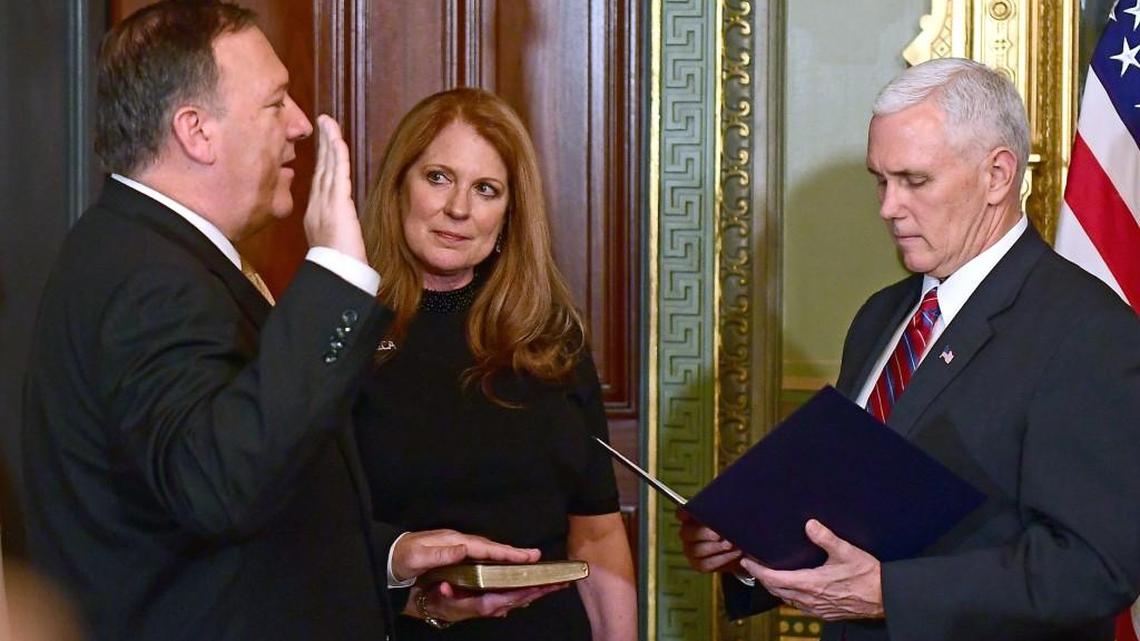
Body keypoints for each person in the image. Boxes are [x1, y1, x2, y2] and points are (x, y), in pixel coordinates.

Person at [21, 3, 540, 641]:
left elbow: (211, 496)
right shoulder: (149, 279)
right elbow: (221, 484)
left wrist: (385, 561)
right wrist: (338, 275)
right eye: (276, 103)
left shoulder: (154, 254)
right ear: (197, 131)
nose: (299, 125)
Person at [679, 57, 1140, 641]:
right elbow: (848, 515)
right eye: (880, 179)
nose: (887, 207)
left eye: (914, 181)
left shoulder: (1087, 329)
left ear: (998, 174)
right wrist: (750, 547)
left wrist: (889, 596)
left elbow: (1095, 568)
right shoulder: (881, 315)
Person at [353, 87, 637, 640]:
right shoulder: (341, 331)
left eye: (485, 189)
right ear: (399, 186)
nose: (458, 208)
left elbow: (597, 535)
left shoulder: (551, 341)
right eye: (438, 177)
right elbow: (301, 536)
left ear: (509, 213)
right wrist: (417, 603)